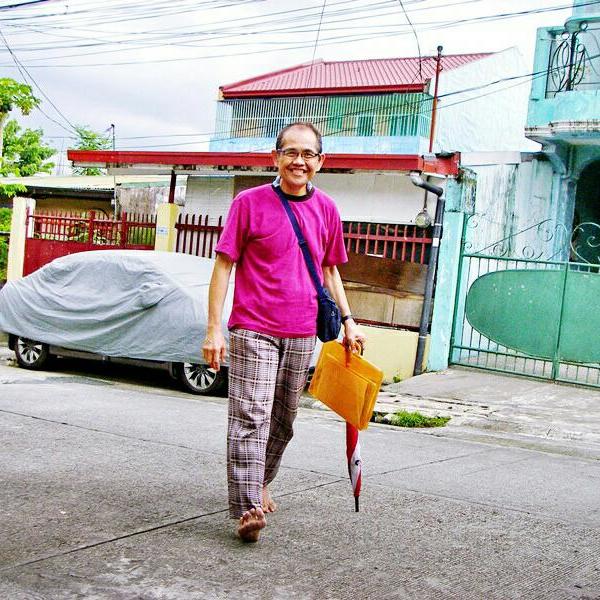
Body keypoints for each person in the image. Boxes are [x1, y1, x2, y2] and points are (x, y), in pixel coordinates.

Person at [202, 122, 366, 542]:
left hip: (302, 332)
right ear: (275, 157)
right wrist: (213, 329)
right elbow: (223, 265)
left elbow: (330, 270)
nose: (299, 161)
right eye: (291, 152)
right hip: (253, 327)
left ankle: (260, 480)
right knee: (251, 415)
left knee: (284, 419)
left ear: (320, 162)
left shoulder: (327, 209)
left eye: (308, 154)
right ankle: (247, 508)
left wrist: (349, 321)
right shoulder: (248, 203)